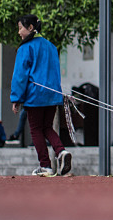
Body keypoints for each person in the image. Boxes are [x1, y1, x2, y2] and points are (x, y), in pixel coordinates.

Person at [10, 14, 72, 176]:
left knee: (36, 129)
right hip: (52, 94)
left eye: (20, 28)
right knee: (47, 127)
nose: (19, 32)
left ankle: (45, 165)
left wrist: (16, 98)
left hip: (35, 95)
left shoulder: (25, 48)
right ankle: (61, 152)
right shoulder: (51, 46)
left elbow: (20, 75)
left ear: (30, 28)